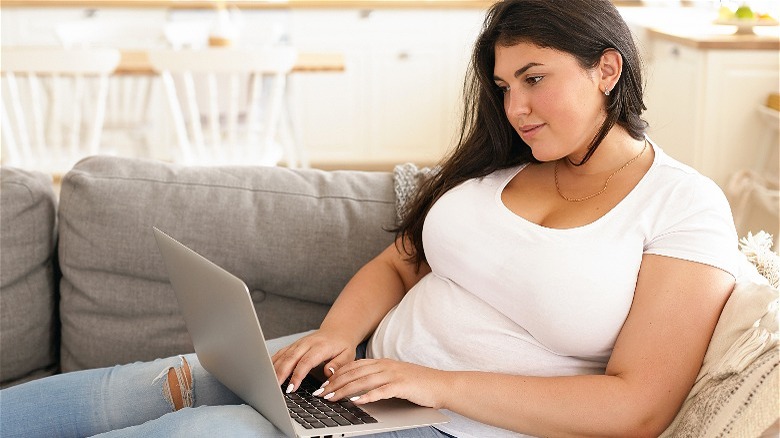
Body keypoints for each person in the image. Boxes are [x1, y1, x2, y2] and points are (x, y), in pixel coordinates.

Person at [0, 1, 739, 437]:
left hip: (446, 421)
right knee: (123, 389)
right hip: (356, 375)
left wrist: (435, 383)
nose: (515, 108)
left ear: (607, 69)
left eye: (536, 79)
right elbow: (399, 262)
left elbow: (639, 407)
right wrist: (334, 336)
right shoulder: (504, 162)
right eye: (505, 84)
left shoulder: (682, 204)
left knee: (187, 432)